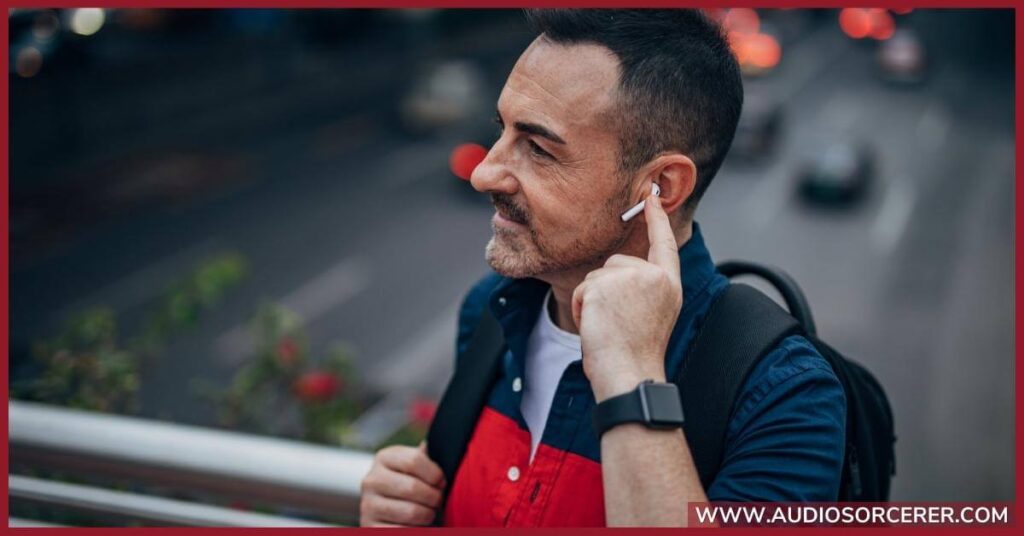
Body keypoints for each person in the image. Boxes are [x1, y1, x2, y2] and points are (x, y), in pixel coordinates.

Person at [360, 9, 846, 527]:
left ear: (661, 188)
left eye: (539, 149)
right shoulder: (491, 312)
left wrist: (632, 374)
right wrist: (407, 510)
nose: (484, 173)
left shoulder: (784, 395)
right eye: (500, 130)